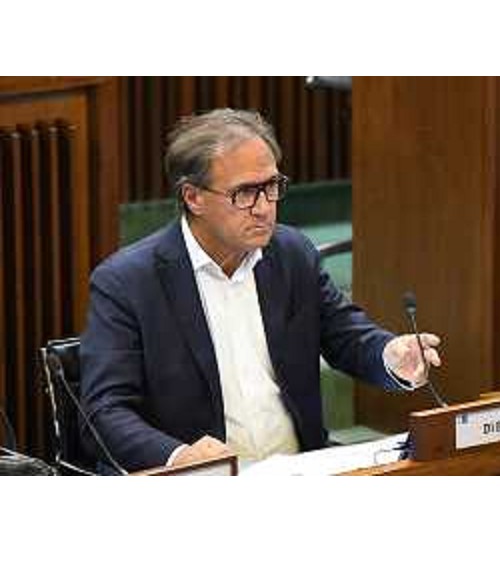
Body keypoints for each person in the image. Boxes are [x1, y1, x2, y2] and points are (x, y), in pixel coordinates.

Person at [80, 108, 442, 473]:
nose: (264, 207)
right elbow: (104, 412)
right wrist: (178, 457)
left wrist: (390, 354)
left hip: (301, 471)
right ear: (193, 197)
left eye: (271, 187)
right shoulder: (128, 282)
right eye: (245, 193)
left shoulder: (291, 254)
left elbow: (345, 336)